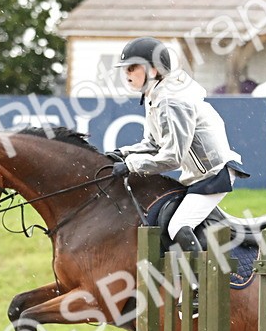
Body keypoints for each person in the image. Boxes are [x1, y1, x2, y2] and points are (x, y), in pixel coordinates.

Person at [106, 36, 249, 258]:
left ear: (153, 70)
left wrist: (131, 165)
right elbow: (154, 144)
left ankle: (202, 284)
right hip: (198, 175)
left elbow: (172, 157)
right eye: (125, 68)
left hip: (213, 175)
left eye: (132, 68)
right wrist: (124, 154)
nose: (126, 74)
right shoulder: (155, 95)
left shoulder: (171, 101)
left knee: (178, 227)